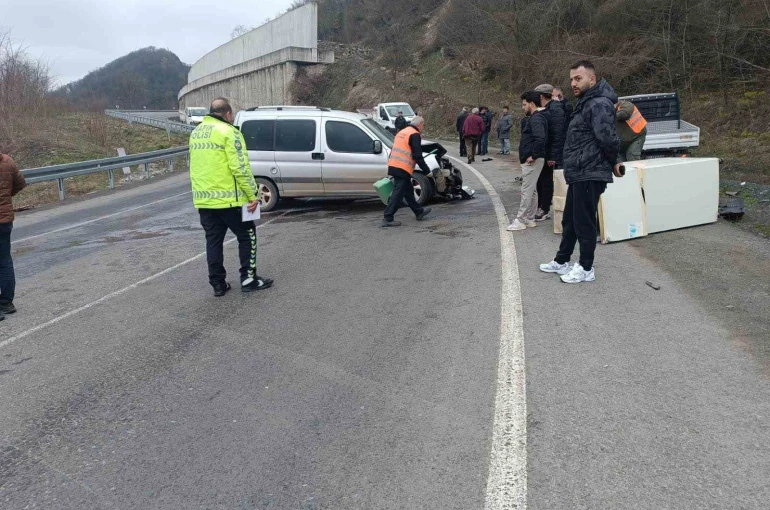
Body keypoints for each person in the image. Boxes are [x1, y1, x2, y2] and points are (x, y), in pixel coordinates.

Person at [539, 60, 623, 284]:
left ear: (592, 79)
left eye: (578, 79)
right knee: (570, 219)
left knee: (584, 222)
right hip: (580, 171)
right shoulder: (586, 102)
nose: (573, 84)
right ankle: (562, 260)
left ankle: (586, 267)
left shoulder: (598, 104)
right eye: (571, 80)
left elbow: (608, 138)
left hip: (591, 170)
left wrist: (615, 160)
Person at [189, 97, 273, 296]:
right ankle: (249, 278)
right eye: (231, 115)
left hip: (205, 201)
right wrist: (253, 195)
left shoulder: (196, 133)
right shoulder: (229, 132)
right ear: (227, 114)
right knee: (247, 236)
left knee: (213, 242)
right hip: (231, 200)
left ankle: (218, 284)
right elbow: (240, 167)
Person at [507, 91, 549, 231]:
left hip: (532, 160)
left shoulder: (536, 119)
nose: (523, 107)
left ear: (531, 104)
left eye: (524, 104)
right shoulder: (536, 118)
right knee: (532, 190)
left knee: (526, 189)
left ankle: (520, 219)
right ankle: (530, 218)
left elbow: (540, 138)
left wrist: (534, 155)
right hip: (533, 159)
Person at [382, 116, 432, 227]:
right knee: (398, 193)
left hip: (394, 165)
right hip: (402, 167)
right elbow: (417, 155)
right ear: (419, 125)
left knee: (408, 191)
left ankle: (419, 211)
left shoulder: (402, 132)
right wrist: (427, 171)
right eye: (423, 125)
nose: (423, 127)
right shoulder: (414, 134)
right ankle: (388, 217)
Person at [533, 83, 566, 222]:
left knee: (546, 181)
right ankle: (541, 205)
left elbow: (558, 135)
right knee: (540, 179)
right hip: (544, 151)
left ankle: (545, 209)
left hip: (551, 152)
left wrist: (553, 156)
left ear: (541, 96)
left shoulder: (556, 110)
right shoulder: (545, 109)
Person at [0, 152, 26, 320]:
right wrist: (6, 197)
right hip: (4, 220)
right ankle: (6, 303)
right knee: (4, 260)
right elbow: (20, 183)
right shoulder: (7, 161)